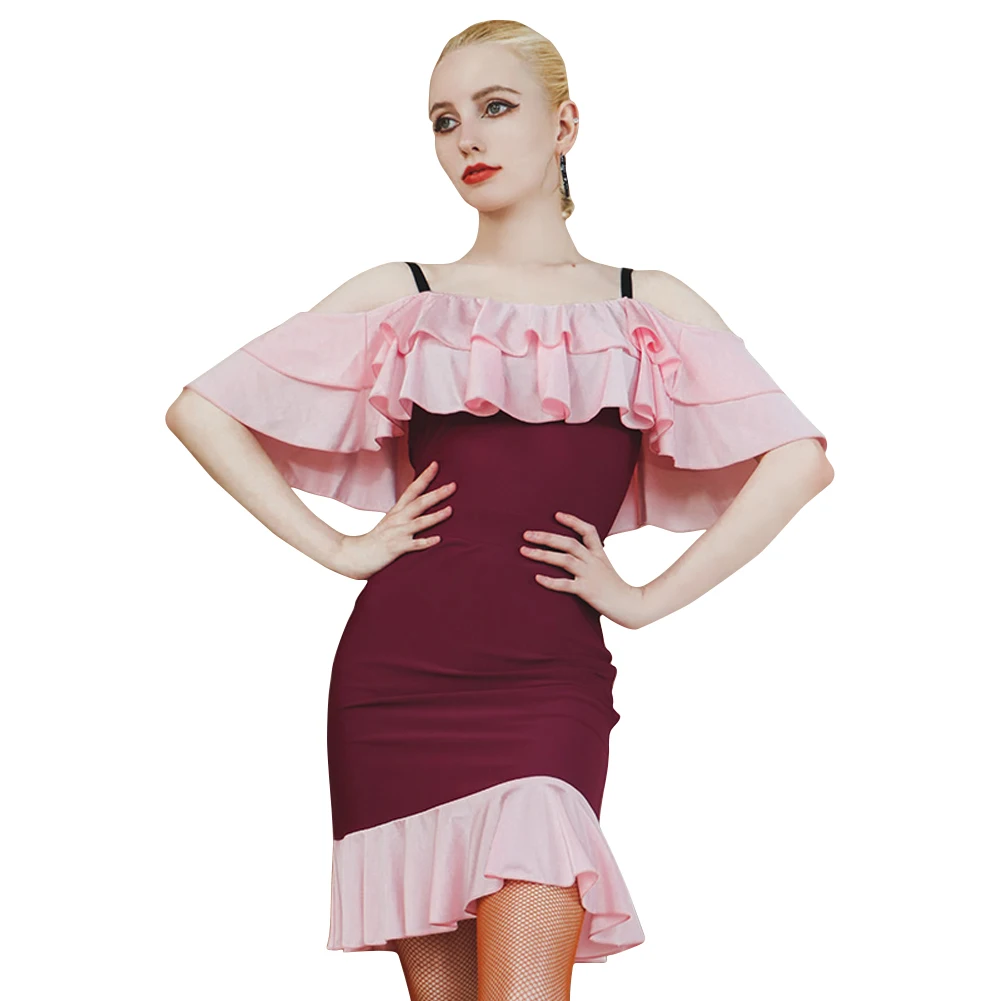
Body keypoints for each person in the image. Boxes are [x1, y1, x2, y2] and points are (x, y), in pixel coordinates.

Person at [164, 18, 833, 1001]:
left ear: (564, 124)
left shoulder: (644, 303)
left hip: (548, 681)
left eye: (494, 107)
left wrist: (643, 598)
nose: (465, 138)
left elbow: (797, 459)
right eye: (443, 120)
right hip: (393, 681)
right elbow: (202, 409)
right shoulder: (406, 292)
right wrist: (339, 548)